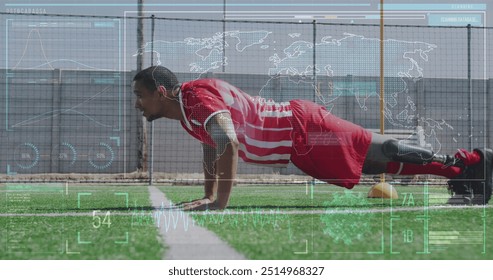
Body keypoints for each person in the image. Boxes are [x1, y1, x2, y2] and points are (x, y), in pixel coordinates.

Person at [133, 65, 492, 210]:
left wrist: (219, 203)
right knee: (370, 165)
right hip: (297, 147)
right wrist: (209, 194)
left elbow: (228, 140)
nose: (138, 103)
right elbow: (213, 147)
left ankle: (471, 162)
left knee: (379, 149)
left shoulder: (193, 97)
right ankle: (462, 176)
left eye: (141, 95)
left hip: (304, 127)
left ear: (160, 91)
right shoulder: (187, 112)